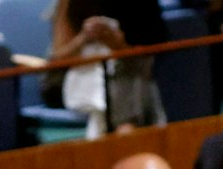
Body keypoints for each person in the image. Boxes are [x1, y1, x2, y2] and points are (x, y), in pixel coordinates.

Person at [45, 0, 165, 138]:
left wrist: (116, 43)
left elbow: (149, 53)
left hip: (128, 79)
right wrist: (84, 38)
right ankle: (125, 131)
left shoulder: (139, 7)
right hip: (75, 88)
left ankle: (126, 131)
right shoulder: (67, 4)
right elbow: (57, 58)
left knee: (127, 73)